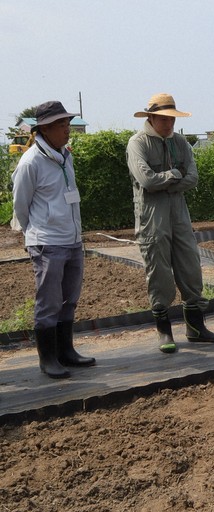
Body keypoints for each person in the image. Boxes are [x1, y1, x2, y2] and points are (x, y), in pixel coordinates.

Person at [127, 93, 214, 353]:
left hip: (179, 213)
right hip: (152, 216)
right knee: (159, 272)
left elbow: (192, 177)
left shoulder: (180, 142)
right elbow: (146, 180)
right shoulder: (138, 144)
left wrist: (167, 183)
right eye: (163, 119)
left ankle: (195, 327)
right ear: (150, 117)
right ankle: (164, 331)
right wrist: (173, 175)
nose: (169, 124)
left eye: (171, 119)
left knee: (190, 265)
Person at [12, 101, 96, 378]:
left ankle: (66, 352)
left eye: (68, 124)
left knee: (69, 298)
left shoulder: (64, 156)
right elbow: (20, 206)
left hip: (72, 239)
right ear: (45, 129)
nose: (67, 130)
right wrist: (36, 232)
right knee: (48, 302)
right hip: (47, 242)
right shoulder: (31, 162)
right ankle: (47, 359)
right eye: (62, 125)